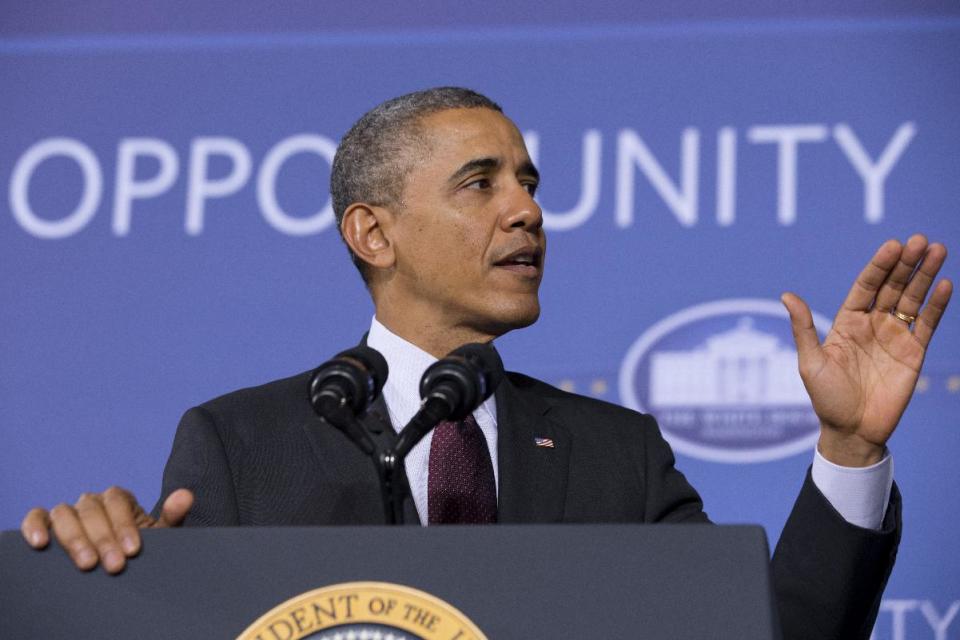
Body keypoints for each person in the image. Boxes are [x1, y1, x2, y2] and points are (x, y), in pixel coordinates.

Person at [20, 88, 952, 639]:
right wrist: (100, 566)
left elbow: (766, 637)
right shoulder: (239, 441)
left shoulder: (615, 452)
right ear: (372, 231)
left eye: (530, 183)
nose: (527, 211)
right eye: (481, 184)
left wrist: (847, 449)